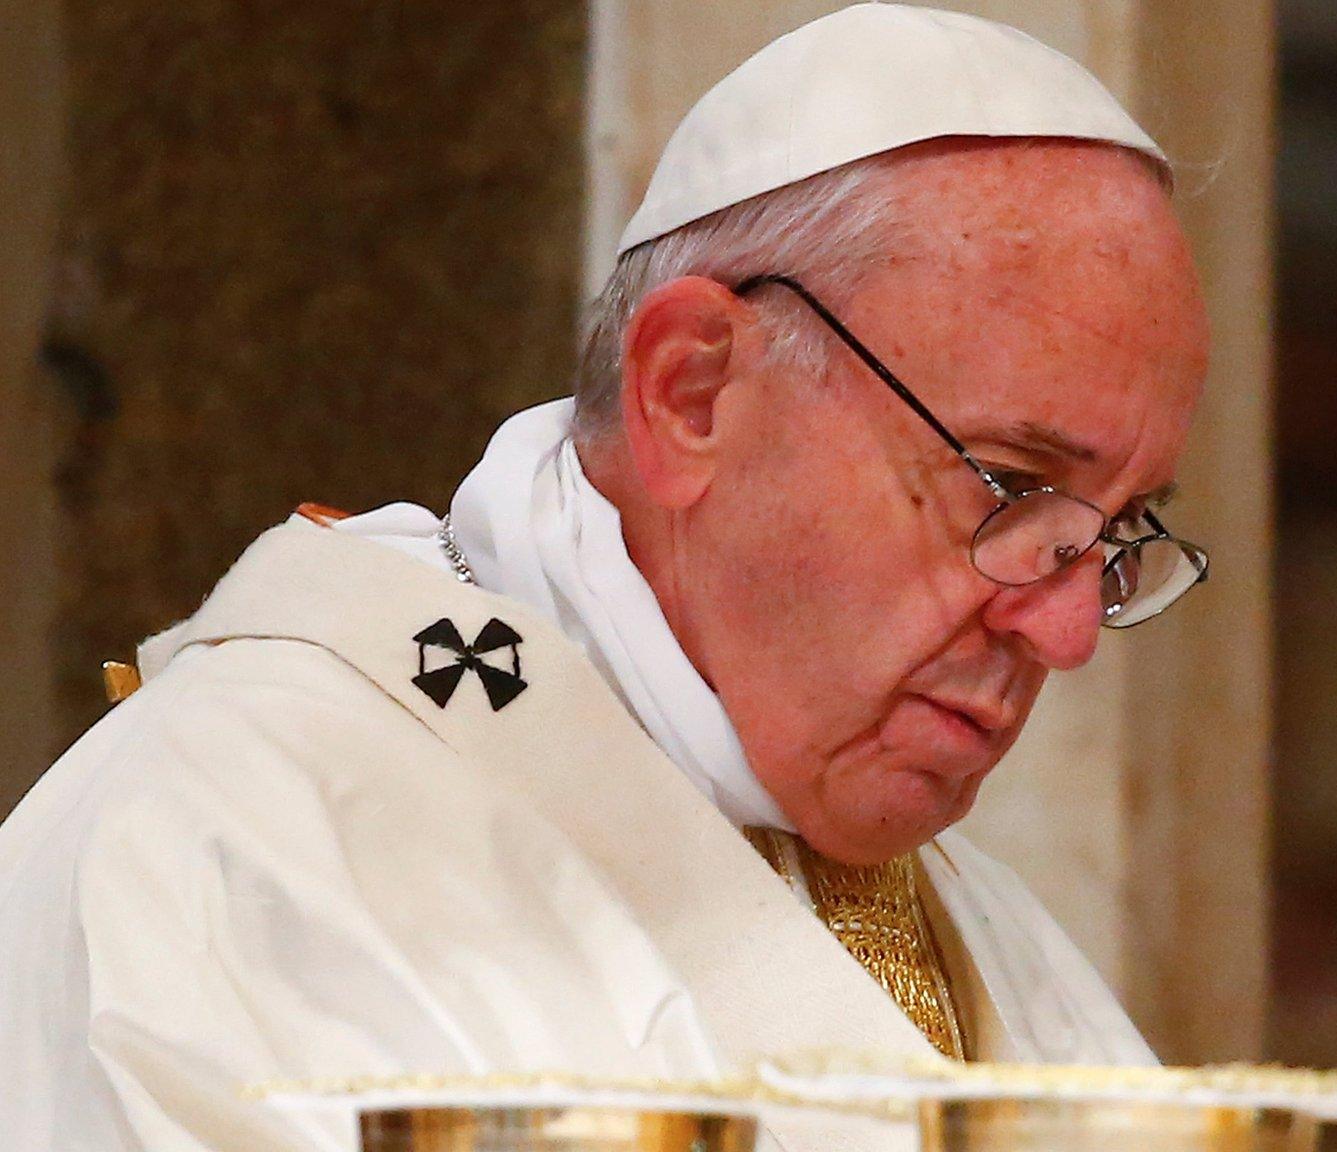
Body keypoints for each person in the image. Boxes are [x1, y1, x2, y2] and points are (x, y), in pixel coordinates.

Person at [0, 5, 1214, 1150]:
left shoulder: (989, 941)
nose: (1064, 631)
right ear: (689, 392)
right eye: (1007, 489)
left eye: (1113, 534)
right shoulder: (247, 836)